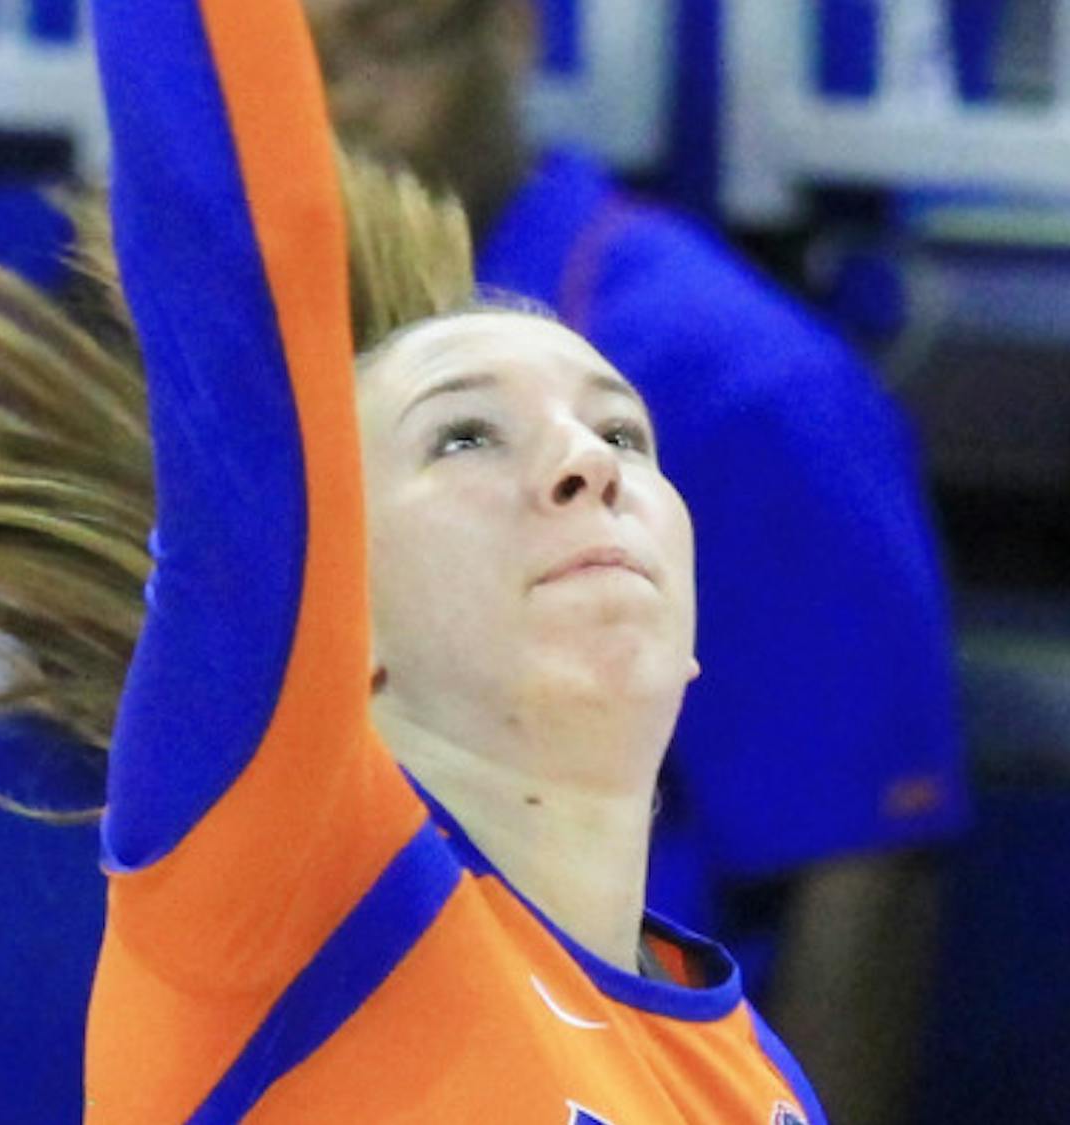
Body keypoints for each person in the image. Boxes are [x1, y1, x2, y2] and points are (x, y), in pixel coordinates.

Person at [0, 1, 827, 1121]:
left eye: (624, 432)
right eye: (466, 435)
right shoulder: (295, 906)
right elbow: (237, 260)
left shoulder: (757, 1083)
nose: (589, 463)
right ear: (333, 609)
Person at [302, 3, 970, 1122]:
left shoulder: (742, 382)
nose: (336, 103)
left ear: (511, 31)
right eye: (294, 60)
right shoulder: (256, 352)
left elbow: (868, 870)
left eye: (384, 45)